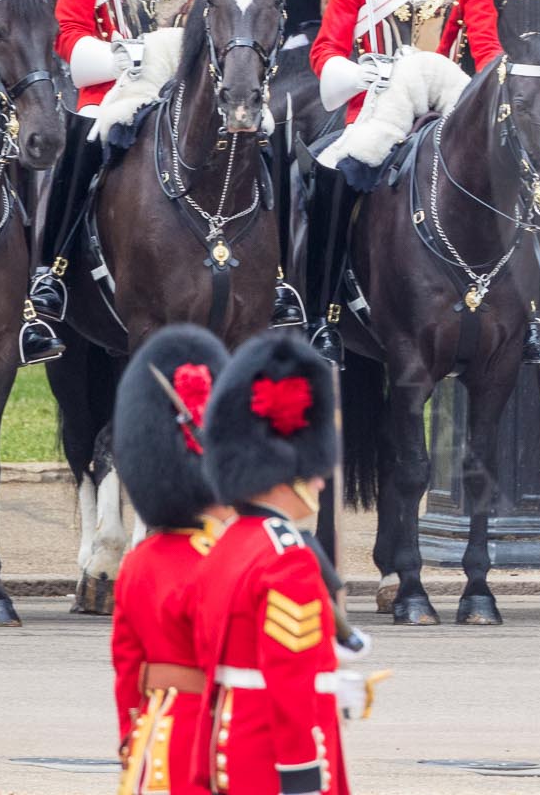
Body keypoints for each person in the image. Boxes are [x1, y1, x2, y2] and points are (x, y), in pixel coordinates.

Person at [305, 0, 510, 363]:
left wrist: (477, 91)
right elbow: (326, 49)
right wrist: (361, 71)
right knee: (327, 180)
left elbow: (488, 48)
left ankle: (527, 315)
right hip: (371, 112)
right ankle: (320, 308)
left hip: (445, 110)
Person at [27, 0, 217, 365]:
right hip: (113, 88)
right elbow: (67, 32)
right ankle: (52, 276)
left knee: (247, 148)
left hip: (179, 89)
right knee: (81, 153)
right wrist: (116, 58)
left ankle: (281, 277)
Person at [189, 330, 363, 795]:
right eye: (315, 471)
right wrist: (301, 774)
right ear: (289, 471)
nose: (323, 482)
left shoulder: (227, 545)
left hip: (229, 741)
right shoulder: (287, 559)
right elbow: (288, 679)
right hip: (273, 757)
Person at [110, 325, 231, 795]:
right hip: (213, 740)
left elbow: (126, 666)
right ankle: (51, 291)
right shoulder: (228, 561)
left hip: (152, 743)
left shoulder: (139, 562)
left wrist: (130, 734)